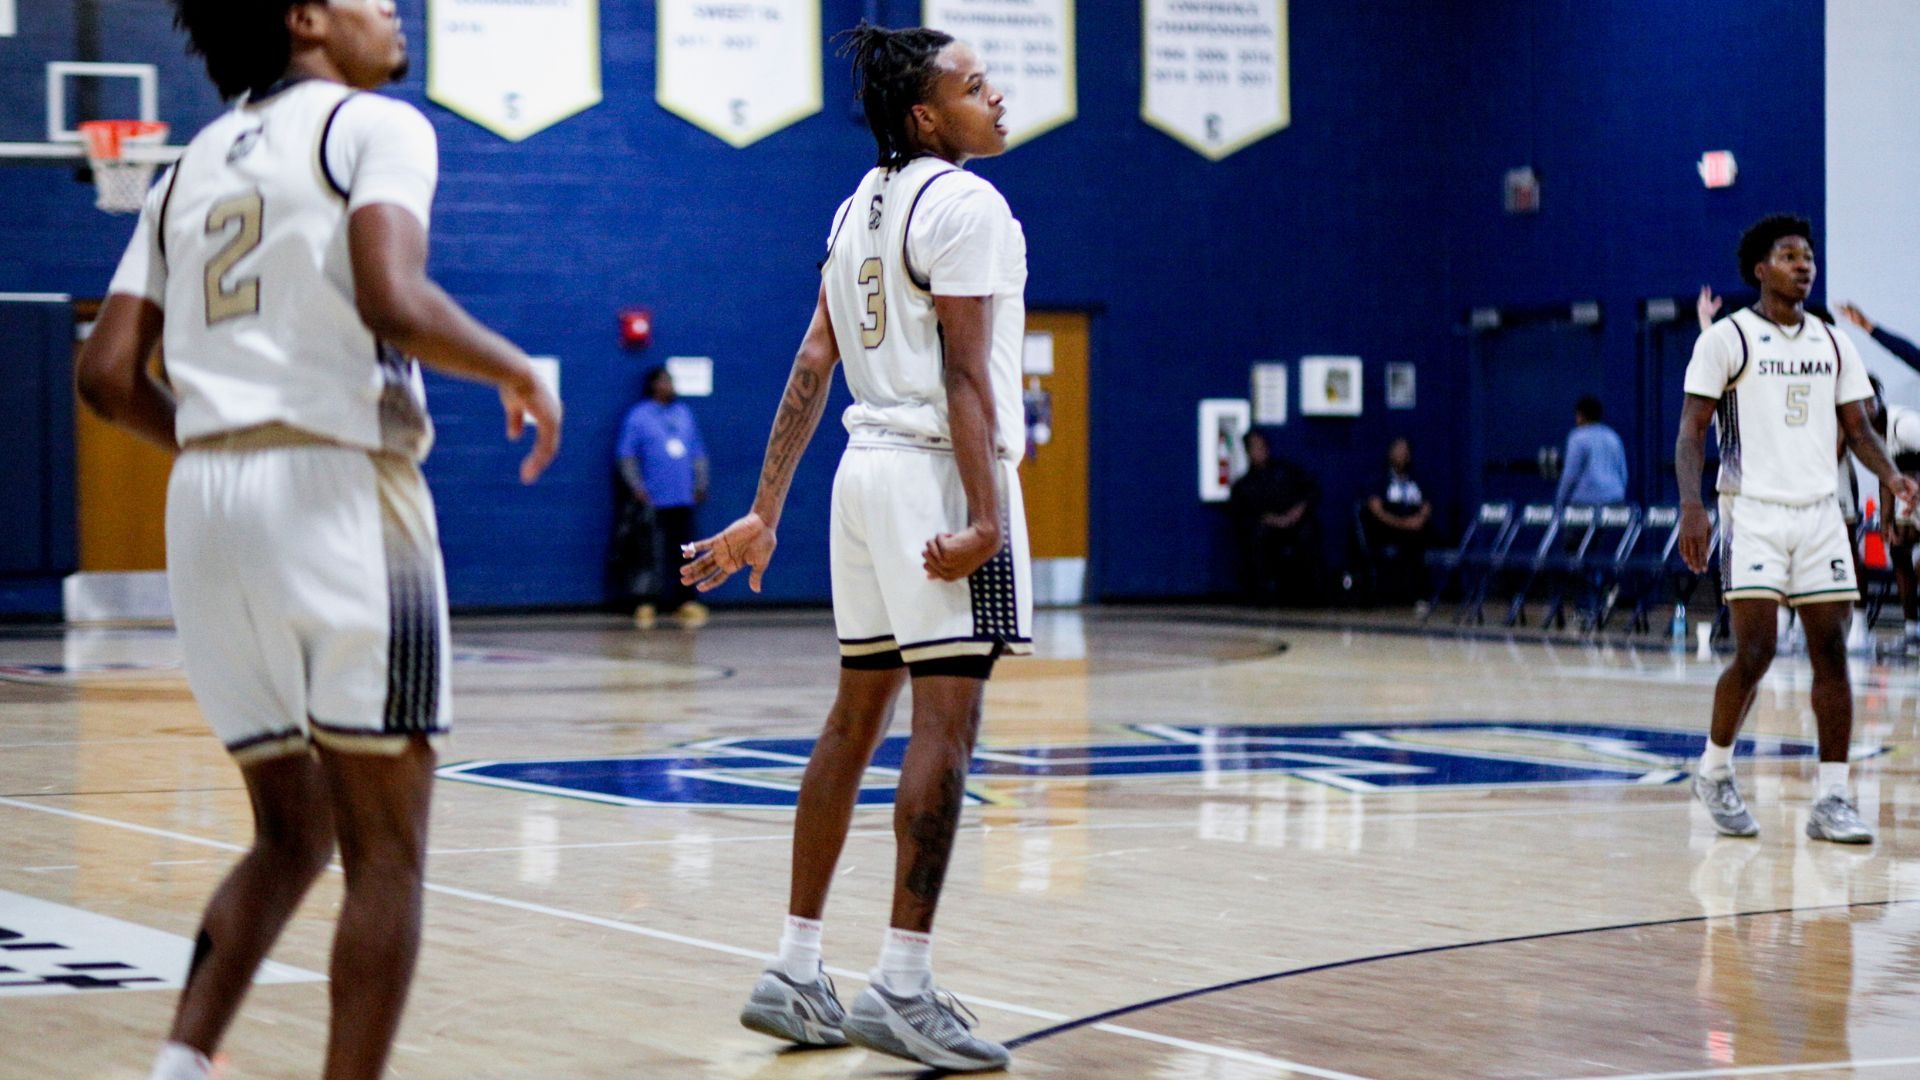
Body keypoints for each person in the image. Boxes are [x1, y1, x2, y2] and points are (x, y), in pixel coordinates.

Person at [74, 2, 562, 1078]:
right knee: (386, 849)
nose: (391, 7)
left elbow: (104, 376)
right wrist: (514, 366)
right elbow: (394, 296)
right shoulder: (374, 126)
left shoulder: (184, 167)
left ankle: (179, 1067)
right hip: (339, 492)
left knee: (288, 835)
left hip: (205, 511)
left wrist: (216, 437)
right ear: (304, 18)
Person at [679, 21, 1027, 1072]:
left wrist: (765, 508)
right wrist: (985, 518)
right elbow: (968, 376)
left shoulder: (852, 210)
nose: (996, 96)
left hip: (858, 476)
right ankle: (906, 986)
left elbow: (810, 361)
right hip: (932, 472)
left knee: (854, 714)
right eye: (975, 85)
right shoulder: (967, 204)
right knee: (946, 726)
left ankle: (794, 965)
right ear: (928, 117)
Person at [1676, 214, 1912, 846]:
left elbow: (1860, 430)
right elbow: (1692, 431)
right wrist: (1691, 507)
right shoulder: (1727, 339)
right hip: (1751, 511)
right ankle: (1716, 769)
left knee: (1832, 653)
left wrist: (1893, 480)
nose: (1804, 264)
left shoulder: (1833, 343)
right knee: (1755, 652)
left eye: (1808, 256)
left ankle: (1833, 797)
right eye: (1789, 256)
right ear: (1761, 268)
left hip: (1819, 517)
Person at [616, 365, 709, 628]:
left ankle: (685, 601)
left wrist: (700, 481)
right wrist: (636, 486)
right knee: (648, 554)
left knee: (685, 552)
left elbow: (698, 452)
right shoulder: (639, 416)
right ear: (653, 385)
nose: (669, 385)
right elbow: (626, 456)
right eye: (664, 381)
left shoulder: (684, 414)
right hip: (652, 500)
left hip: (682, 499)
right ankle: (645, 601)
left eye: (671, 380)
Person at [1228, 429, 1321, 606]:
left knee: (1308, 533)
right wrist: (1269, 519)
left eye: (1263, 447)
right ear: (1248, 452)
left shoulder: (1287, 471)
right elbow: (1242, 514)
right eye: (1255, 448)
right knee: (1257, 537)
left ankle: (1314, 593)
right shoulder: (1244, 485)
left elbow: (1311, 491)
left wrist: (1297, 511)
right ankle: (1262, 595)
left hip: (1295, 524)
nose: (1260, 451)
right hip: (1268, 528)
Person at [1363, 436, 1432, 603]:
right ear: (1390, 453)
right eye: (1399, 450)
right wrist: (1403, 524)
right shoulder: (1379, 481)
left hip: (1414, 528)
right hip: (1388, 530)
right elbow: (1376, 510)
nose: (1403, 455)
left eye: (1406, 451)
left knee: (1423, 539)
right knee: (1408, 540)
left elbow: (1426, 506)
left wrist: (1419, 519)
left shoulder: (1417, 480)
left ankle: (1422, 595)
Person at [1555, 395, 1628, 509]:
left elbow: (1571, 473)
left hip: (1585, 501)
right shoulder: (1612, 436)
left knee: (1577, 526)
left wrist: (1560, 499)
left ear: (1580, 415)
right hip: (1614, 498)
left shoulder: (1578, 437)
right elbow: (1622, 471)